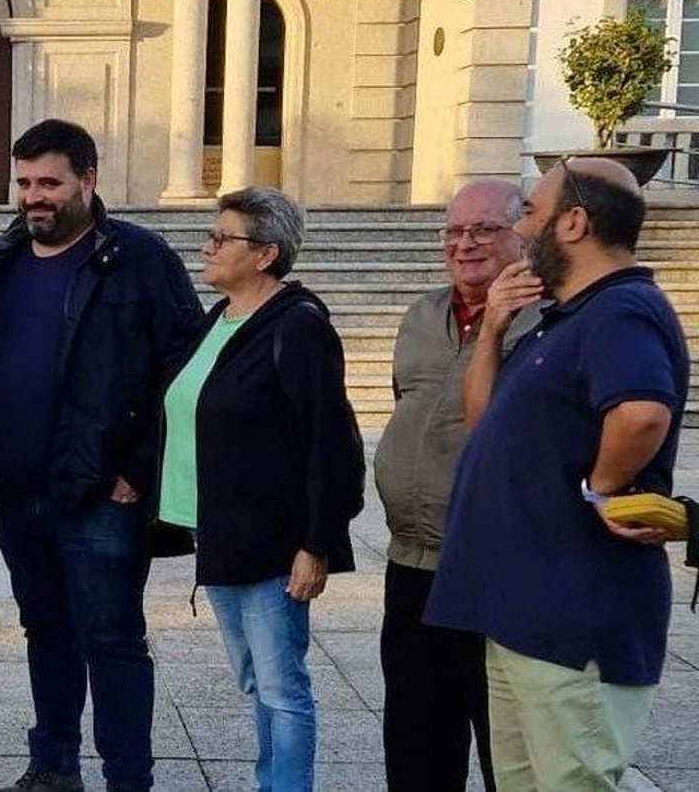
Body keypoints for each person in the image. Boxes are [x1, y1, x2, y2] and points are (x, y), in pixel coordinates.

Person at [426, 158, 688, 791]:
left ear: (574, 223)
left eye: (532, 213)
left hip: (573, 620)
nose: (522, 227)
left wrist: (600, 488)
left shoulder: (622, 309)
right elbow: (482, 421)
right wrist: (492, 328)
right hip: (521, 615)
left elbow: (642, 414)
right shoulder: (565, 318)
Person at [0, 119, 203, 792]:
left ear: (88, 180)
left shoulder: (139, 259)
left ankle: (129, 778)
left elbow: (186, 370)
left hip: (100, 495)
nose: (34, 197)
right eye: (25, 182)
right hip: (16, 489)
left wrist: (140, 470)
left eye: (50, 183)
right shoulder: (4, 258)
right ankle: (54, 765)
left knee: (113, 642)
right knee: (46, 632)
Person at [157, 187, 364, 792]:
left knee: (281, 685)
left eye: (224, 238)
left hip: (273, 541)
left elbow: (329, 442)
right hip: (217, 531)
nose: (209, 247)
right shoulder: (219, 319)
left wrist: (316, 543)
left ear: (266, 254)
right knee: (255, 678)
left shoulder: (297, 327)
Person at [374, 180, 533, 792]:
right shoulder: (423, 313)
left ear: (523, 234)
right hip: (412, 564)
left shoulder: (547, 320)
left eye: (484, 230)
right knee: (417, 743)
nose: (464, 244)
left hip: (497, 569)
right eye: (453, 231)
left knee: (505, 746)